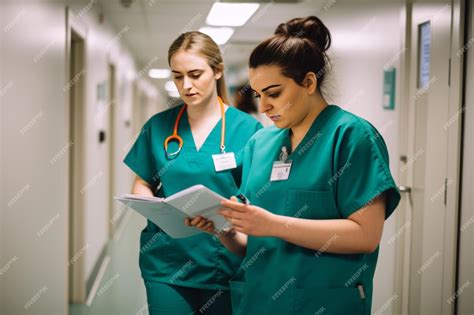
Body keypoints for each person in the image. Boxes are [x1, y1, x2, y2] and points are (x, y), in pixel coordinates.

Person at [187, 16, 401, 315]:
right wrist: (223, 230)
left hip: (323, 302)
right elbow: (254, 242)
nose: (263, 107)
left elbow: (366, 235)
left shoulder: (351, 137)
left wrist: (273, 224)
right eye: (259, 95)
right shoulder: (260, 145)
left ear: (309, 82)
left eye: (274, 94)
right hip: (260, 300)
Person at [124, 31, 262, 315]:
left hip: (223, 260)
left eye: (195, 74)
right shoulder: (158, 126)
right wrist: (153, 206)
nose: (186, 86)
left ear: (218, 70)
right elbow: (142, 182)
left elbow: (256, 196)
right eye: (178, 76)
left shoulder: (249, 130)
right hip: (167, 261)